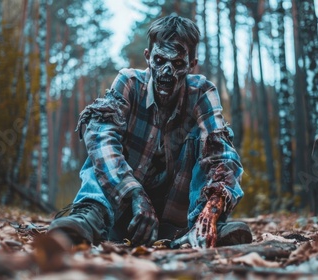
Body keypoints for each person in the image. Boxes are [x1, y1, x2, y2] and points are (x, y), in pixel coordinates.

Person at [49, 15, 252, 248]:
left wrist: (212, 210)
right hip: (121, 208)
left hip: (175, 217)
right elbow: (100, 138)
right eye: (159, 60)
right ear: (147, 57)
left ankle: (202, 227)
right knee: (103, 131)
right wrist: (134, 192)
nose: (166, 72)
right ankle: (89, 217)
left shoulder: (202, 93)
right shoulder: (129, 82)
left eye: (177, 64)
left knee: (210, 140)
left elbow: (223, 157)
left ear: (192, 64)